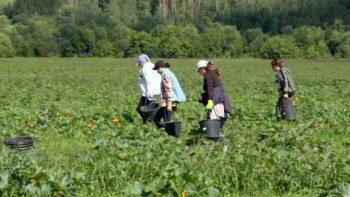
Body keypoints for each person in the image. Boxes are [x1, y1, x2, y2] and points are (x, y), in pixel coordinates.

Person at [196, 60, 231, 139]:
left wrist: (210, 101)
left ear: (202, 69)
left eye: (199, 71)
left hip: (215, 98)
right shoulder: (214, 73)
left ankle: (215, 137)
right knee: (218, 117)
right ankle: (217, 135)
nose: (200, 73)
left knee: (212, 119)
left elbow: (210, 89)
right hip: (221, 97)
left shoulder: (208, 75)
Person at [153, 60, 186, 128]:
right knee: (157, 118)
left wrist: (169, 104)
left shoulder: (165, 75)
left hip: (169, 101)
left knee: (166, 120)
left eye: (157, 69)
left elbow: (168, 90)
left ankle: (169, 133)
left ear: (159, 67)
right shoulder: (169, 72)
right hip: (172, 99)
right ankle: (164, 131)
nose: (157, 71)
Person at [136, 54, 161, 123]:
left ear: (143, 62)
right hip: (154, 91)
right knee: (146, 109)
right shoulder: (153, 66)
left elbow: (149, 80)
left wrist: (150, 92)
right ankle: (149, 122)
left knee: (140, 109)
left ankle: (150, 122)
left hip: (149, 92)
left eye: (140, 63)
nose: (140, 65)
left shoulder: (146, 68)